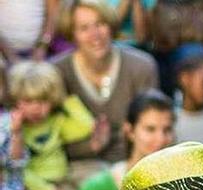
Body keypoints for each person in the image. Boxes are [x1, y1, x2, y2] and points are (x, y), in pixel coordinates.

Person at [53, 0, 159, 167]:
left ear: (111, 26)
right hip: (77, 167)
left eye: (100, 24)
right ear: (72, 34)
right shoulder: (57, 72)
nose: (95, 34)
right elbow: (51, 142)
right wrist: (91, 146)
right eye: (84, 28)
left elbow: (154, 131)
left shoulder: (142, 67)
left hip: (134, 165)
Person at [79, 90, 175, 190]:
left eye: (166, 130)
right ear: (129, 130)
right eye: (150, 129)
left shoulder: (183, 185)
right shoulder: (97, 187)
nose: (160, 139)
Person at [8, 60, 96, 190]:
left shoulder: (56, 121)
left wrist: (65, 99)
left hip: (62, 179)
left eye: (43, 101)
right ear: (16, 100)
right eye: (28, 101)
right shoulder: (14, 128)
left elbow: (86, 127)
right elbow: (18, 170)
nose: (36, 108)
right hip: (34, 189)